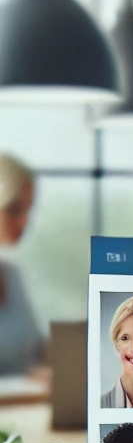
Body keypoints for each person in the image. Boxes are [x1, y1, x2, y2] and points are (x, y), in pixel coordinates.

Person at [0, 153, 45, 375]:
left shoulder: (11, 275)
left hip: (25, 408)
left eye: (29, 209)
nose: (25, 221)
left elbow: (37, 351)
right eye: (15, 209)